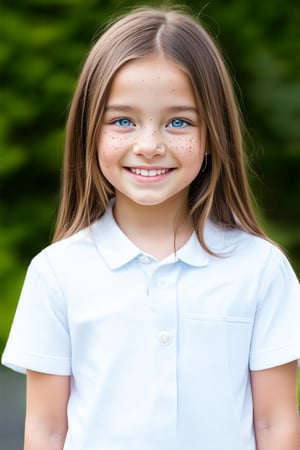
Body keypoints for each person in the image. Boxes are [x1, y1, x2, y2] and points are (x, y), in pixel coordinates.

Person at [2, 6, 300, 450]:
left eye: (178, 121)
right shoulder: (57, 274)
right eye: (123, 121)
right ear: (90, 132)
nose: (149, 145)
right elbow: (46, 431)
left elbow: (276, 425)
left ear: (212, 136)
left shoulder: (260, 270)